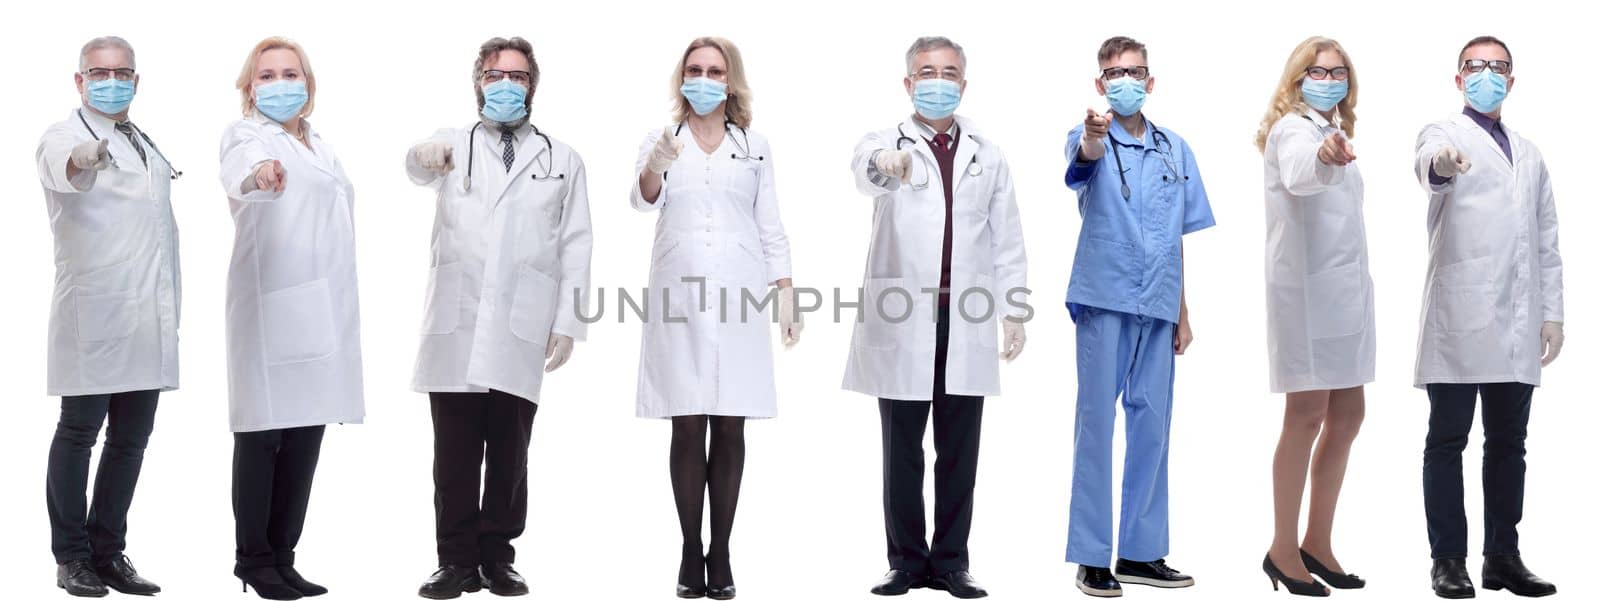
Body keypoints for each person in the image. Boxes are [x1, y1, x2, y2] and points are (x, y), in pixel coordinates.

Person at [406, 36, 593, 600]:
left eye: (515, 77)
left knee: (510, 453)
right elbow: (415, 165)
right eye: (494, 76)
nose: (504, 86)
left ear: (532, 85)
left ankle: (499, 558)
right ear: (477, 83)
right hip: (459, 322)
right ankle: (454, 561)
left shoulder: (562, 158)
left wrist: (569, 322)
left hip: (521, 323)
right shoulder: (451, 143)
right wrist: (424, 156)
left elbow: (577, 244)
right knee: (455, 453)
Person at [845, 35, 1028, 600]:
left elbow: (1007, 235)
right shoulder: (885, 140)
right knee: (902, 448)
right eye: (927, 71)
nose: (938, 81)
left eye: (949, 72)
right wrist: (884, 164)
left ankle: (951, 563)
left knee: (958, 449)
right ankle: (905, 563)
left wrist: (1014, 310)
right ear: (908, 83)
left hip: (965, 316)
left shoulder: (987, 152)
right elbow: (863, 172)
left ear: (964, 84)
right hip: (904, 318)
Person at [631, 36, 799, 601]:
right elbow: (643, 198)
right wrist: (654, 166)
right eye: (694, 70)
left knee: (731, 421)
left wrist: (786, 290)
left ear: (732, 81)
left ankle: (721, 550)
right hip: (678, 294)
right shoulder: (663, 141)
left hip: (740, 295)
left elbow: (769, 219)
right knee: (687, 420)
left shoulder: (754, 146)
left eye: (714, 70)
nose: (703, 78)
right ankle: (687, 549)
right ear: (682, 79)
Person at [1062, 36, 1213, 598]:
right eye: (1114, 72)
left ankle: (1140, 553)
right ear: (1101, 84)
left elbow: (1176, 236)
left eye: (1136, 71)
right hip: (1105, 298)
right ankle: (1091, 557)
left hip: (1159, 304)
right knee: (1097, 425)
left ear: (1151, 81)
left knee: (1153, 427)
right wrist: (1094, 138)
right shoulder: (1087, 137)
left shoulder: (1176, 149)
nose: (1126, 80)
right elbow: (1084, 163)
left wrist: (1183, 311)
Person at [1414, 35, 1562, 601]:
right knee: (1447, 440)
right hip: (1460, 313)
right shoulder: (1443, 134)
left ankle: (1503, 556)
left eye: (1498, 67)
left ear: (1512, 80)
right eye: (1475, 67)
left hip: (1518, 320)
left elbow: (1547, 239)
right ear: (1458, 79)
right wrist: (1443, 166)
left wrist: (1553, 315)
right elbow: (1428, 167)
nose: (1487, 75)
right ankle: (1448, 561)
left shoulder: (1531, 154)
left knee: (1509, 443)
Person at [218, 36, 364, 600]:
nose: (281, 84)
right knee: (262, 435)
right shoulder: (248, 136)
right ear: (249, 87)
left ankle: (283, 555)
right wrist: (262, 176)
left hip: (321, 306)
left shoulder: (320, 145)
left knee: (305, 435)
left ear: (308, 82)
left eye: (290, 73)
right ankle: (253, 561)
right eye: (267, 76)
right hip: (271, 302)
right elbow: (244, 172)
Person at [37, 35, 175, 598]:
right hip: (95, 312)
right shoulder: (65, 134)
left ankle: (108, 551)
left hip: (148, 313)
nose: (111, 80)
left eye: (122, 72)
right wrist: (84, 158)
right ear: (80, 80)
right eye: (99, 72)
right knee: (79, 432)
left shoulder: (139, 139)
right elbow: (61, 165)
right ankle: (71, 558)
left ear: (136, 81)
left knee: (131, 439)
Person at [1255, 36, 1371, 598]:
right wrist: (1325, 156)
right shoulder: (1294, 131)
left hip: (1344, 296)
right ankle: (1281, 548)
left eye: (1338, 71)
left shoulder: (1335, 131)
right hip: (1305, 299)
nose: (1329, 79)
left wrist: (1334, 147)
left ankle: (1317, 542)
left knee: (1348, 413)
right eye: (1317, 72)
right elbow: (1303, 172)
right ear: (1297, 79)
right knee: (1305, 414)